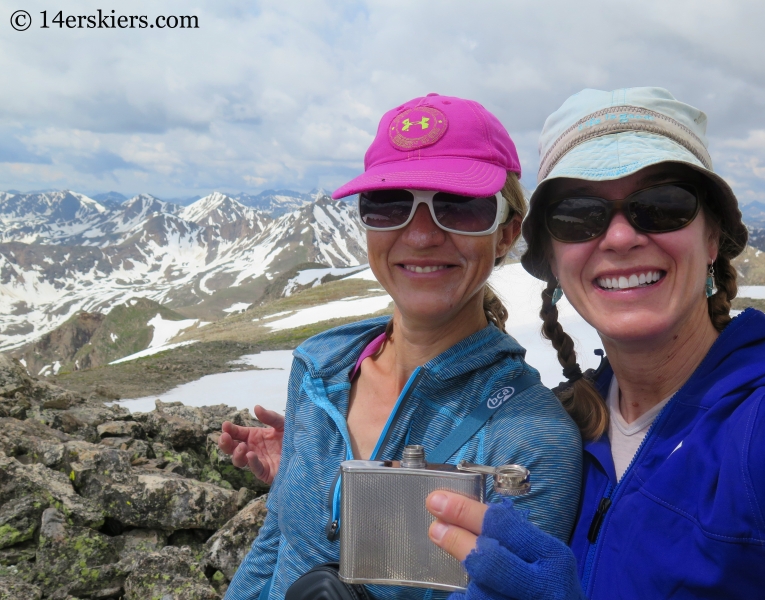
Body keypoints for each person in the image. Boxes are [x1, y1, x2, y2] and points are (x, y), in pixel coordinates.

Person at [425, 87, 765, 599]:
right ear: (553, 263)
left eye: (663, 205)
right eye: (579, 215)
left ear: (713, 240)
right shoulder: (564, 432)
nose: (620, 238)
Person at [223, 93, 583, 600]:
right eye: (389, 204)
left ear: (505, 234)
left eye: (459, 206)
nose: (418, 235)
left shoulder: (531, 437)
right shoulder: (318, 369)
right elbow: (277, 542)